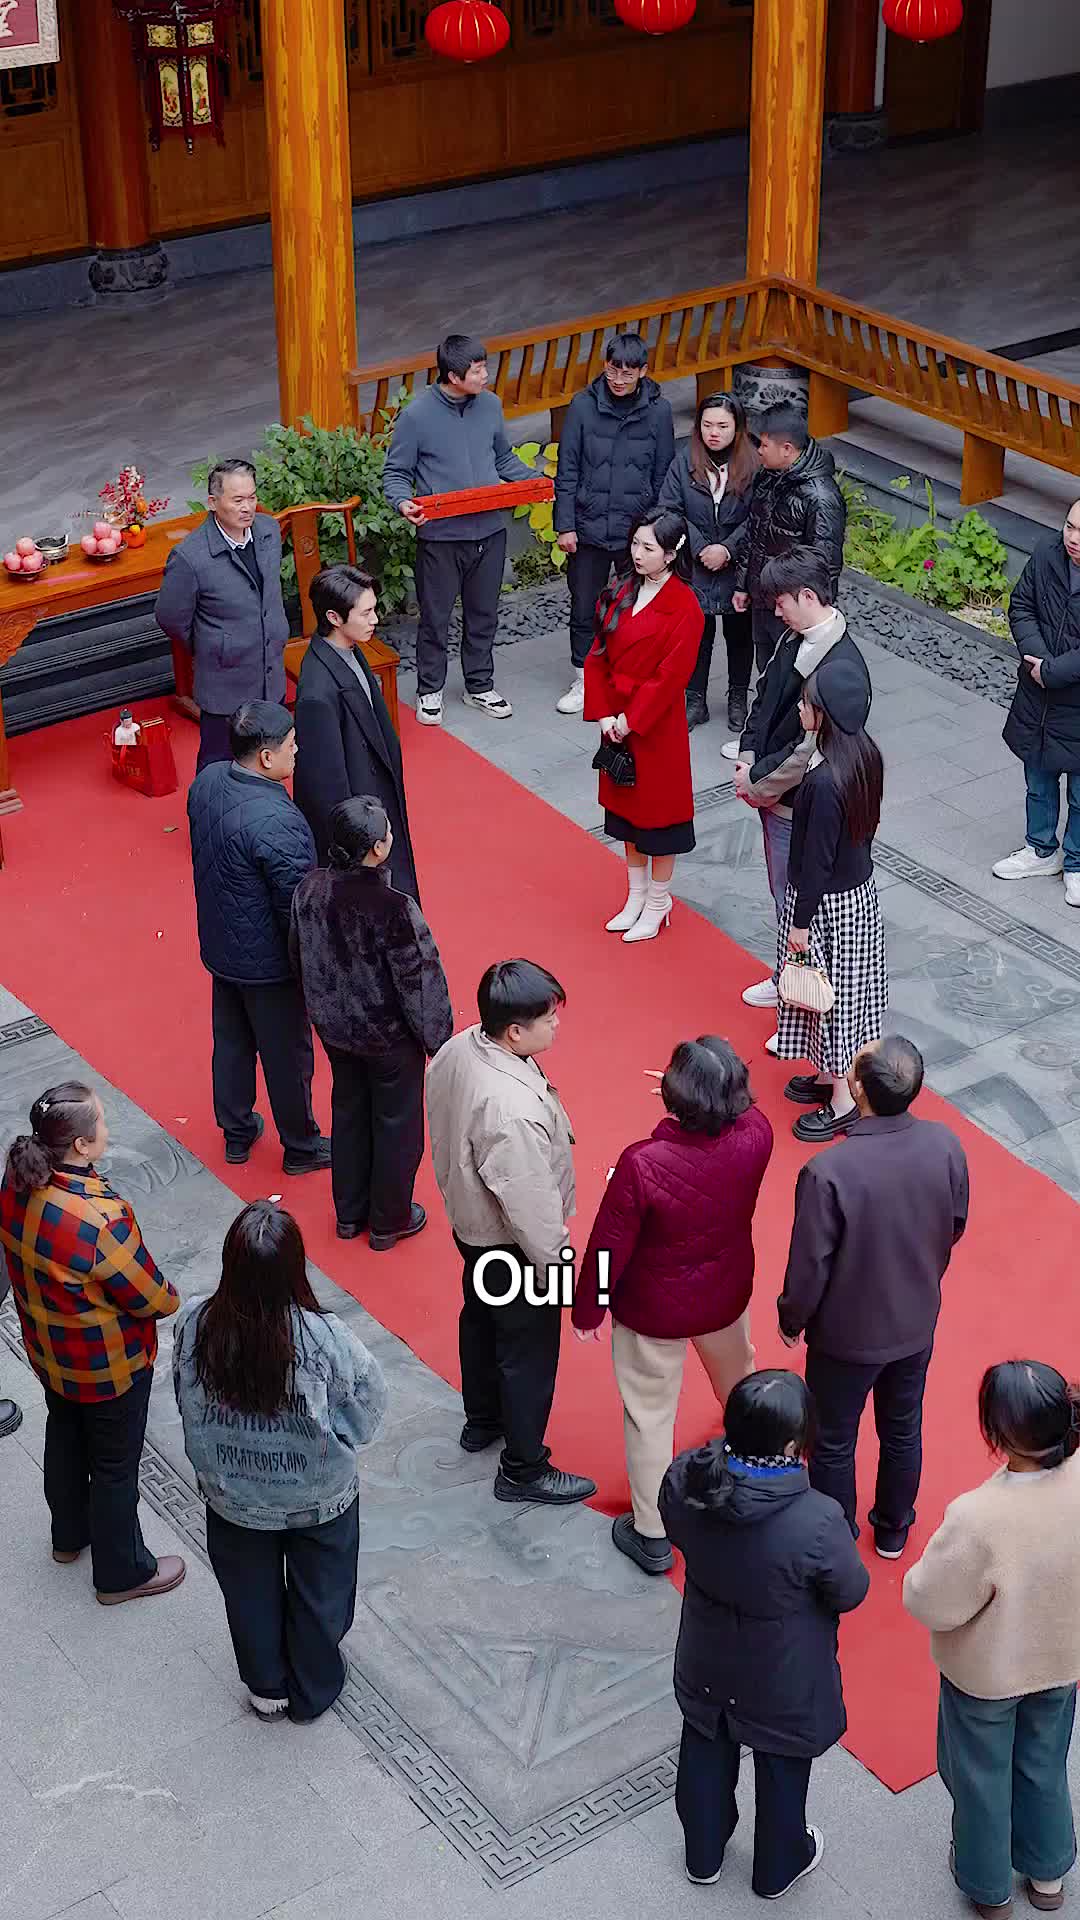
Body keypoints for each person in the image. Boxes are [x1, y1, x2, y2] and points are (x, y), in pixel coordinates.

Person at [172, 1202, 388, 1723]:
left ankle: (266, 1687)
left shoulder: (196, 1323)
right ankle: (314, 1686)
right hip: (318, 1497)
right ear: (295, 1267)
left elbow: (183, 1396)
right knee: (322, 1592)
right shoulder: (326, 1338)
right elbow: (366, 1411)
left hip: (232, 1496)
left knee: (247, 1591)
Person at [659, 1371, 868, 1898]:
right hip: (782, 1669)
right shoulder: (818, 1519)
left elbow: (674, 1524)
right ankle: (778, 1866)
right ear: (794, 1445)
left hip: (706, 1651)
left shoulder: (687, 1480)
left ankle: (703, 1854)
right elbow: (850, 1590)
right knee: (780, 1764)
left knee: (705, 1743)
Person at [572, 1037, 773, 1574]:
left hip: (654, 1309)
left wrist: (590, 1308)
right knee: (741, 1384)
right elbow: (747, 1111)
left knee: (650, 1416)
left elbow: (608, 1245)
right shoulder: (757, 1137)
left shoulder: (642, 1163)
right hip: (724, 1291)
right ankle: (757, 1471)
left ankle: (653, 1531)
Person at [778, 1035, 969, 1559]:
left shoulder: (829, 1171)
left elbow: (809, 1265)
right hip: (915, 1321)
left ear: (859, 1089)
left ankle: (836, 1535)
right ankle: (893, 1527)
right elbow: (955, 1223)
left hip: (845, 1335)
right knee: (903, 1427)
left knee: (833, 1438)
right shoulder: (945, 1145)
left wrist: (792, 1318)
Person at [904, 1361, 1080, 1918]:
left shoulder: (979, 1516)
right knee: (1045, 1763)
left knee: (981, 1777)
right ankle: (1048, 1875)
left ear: (996, 1434)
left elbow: (930, 1601)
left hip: (988, 1672)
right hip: (1062, 1657)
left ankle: (988, 1888)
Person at [0, 1083, 184, 1604]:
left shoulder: (17, 1180)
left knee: (63, 1434)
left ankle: (68, 1537)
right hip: (108, 1367)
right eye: (99, 1121)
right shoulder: (99, 1219)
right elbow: (153, 1298)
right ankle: (122, 1573)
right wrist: (173, 1297)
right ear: (81, 1145)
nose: (106, 1126)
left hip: (48, 1351)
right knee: (114, 1469)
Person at [426, 960, 596, 1507]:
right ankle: (523, 1467)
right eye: (549, 1018)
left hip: (471, 1224)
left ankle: (483, 1419)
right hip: (511, 1246)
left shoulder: (460, 1047)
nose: (557, 1025)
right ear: (515, 1032)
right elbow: (532, 1210)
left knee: (479, 1320)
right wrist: (563, 1275)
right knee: (528, 1352)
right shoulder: (512, 1110)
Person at [290, 796, 453, 1248]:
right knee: (397, 1125)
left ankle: (349, 1213)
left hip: (336, 1032)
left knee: (348, 1112)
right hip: (388, 1039)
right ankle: (389, 1219)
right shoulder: (394, 906)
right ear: (378, 848)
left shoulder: (309, 890)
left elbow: (299, 956)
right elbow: (421, 981)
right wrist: (438, 1042)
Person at [187, 701, 330, 1174]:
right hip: (268, 964)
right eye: (291, 745)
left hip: (221, 945)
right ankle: (301, 1145)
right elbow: (297, 910)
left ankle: (237, 1131)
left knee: (231, 1042)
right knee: (287, 1055)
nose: (297, 751)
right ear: (267, 757)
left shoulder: (207, 782)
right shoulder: (279, 820)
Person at [734, 550, 867, 1049]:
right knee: (783, 898)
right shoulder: (794, 638)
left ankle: (802, 1000)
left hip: (799, 805)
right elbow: (764, 697)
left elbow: (807, 748)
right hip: (775, 793)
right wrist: (748, 753)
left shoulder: (840, 666)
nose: (776, 611)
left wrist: (755, 783)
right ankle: (785, 978)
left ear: (808, 596)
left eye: (781, 602)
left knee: (804, 909)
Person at [382, 332, 534, 725]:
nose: (486, 375)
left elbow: (503, 458)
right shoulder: (417, 415)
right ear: (453, 376)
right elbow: (396, 473)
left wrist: (536, 482)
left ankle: (479, 686)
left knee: (484, 614)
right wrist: (402, 502)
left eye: (484, 367)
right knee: (435, 617)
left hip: (490, 530)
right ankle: (429, 689)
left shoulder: (491, 405)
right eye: (478, 370)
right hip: (441, 537)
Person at [776, 654, 887, 1141]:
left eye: (807, 703)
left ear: (825, 714)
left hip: (824, 906)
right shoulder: (864, 755)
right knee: (846, 993)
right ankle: (828, 1076)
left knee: (831, 999)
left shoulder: (823, 782)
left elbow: (815, 861)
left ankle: (842, 1101)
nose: (800, 709)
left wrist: (799, 924)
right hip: (857, 896)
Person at [583, 506, 704, 943]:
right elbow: (597, 652)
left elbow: (671, 677)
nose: (637, 553)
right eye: (635, 543)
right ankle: (636, 896)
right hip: (616, 718)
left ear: (671, 554)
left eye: (648, 548)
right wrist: (604, 714)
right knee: (625, 815)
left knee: (659, 819)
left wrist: (630, 720)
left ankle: (657, 902)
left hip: (655, 727)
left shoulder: (686, 606)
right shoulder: (622, 589)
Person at [552, 332, 675, 716]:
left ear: (643, 371)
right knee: (583, 605)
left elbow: (663, 474)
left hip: (635, 531)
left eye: (627, 373)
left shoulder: (659, 411)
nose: (618, 380)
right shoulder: (582, 406)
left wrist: (656, 533)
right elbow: (567, 469)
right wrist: (565, 525)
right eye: (612, 370)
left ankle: (627, 676)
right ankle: (583, 679)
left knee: (633, 605)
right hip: (587, 525)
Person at [292, 564, 420, 900]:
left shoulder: (348, 649)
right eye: (366, 613)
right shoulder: (317, 692)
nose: (375, 619)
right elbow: (326, 788)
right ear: (334, 618)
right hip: (361, 823)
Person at [155, 457, 289, 773]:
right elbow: (171, 617)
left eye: (252, 497)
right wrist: (214, 643)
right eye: (237, 500)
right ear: (213, 503)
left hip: (270, 671)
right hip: (225, 683)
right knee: (218, 766)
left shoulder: (269, 531)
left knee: (271, 760)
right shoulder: (191, 556)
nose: (247, 507)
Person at [730, 402, 846, 731]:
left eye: (764, 445)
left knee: (793, 678)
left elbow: (825, 564)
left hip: (792, 608)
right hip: (762, 598)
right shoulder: (769, 478)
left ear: (787, 449)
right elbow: (753, 534)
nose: (759, 451)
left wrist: (805, 614)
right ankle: (762, 735)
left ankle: (789, 739)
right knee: (768, 671)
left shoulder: (821, 496)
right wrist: (743, 584)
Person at [993, 501, 1080, 908]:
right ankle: (1041, 850)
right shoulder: (1047, 553)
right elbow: (1022, 606)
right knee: (1039, 781)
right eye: (1070, 526)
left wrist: (1053, 671)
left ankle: (1076, 863)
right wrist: (1039, 662)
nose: (1073, 538)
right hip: (1038, 696)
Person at [658, 390, 757, 733]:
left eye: (722, 426)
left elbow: (760, 516)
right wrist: (701, 547)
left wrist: (728, 549)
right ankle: (695, 700)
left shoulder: (755, 464)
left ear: (737, 428)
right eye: (707, 425)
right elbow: (670, 509)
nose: (713, 433)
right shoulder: (684, 460)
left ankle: (738, 698)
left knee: (740, 634)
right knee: (696, 634)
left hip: (739, 566)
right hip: (694, 562)